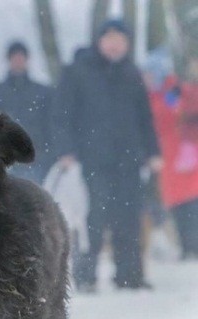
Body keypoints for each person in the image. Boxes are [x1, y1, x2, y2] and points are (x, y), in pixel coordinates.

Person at [52, 19, 161, 292]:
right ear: (99, 41)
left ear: (127, 44)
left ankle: (129, 275)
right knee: (92, 219)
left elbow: (144, 118)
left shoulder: (132, 73)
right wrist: (65, 150)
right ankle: (85, 276)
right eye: (109, 38)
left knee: (128, 217)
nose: (115, 44)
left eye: (120, 39)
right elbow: (61, 115)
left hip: (129, 159)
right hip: (91, 159)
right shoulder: (78, 71)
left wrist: (153, 152)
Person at [147, 56, 198, 260]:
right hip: (166, 156)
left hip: (187, 153)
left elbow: (183, 111)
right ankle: (186, 245)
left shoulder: (175, 90)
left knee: (191, 201)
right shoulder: (152, 95)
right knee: (176, 202)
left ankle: (192, 244)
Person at [0, 41, 54, 184]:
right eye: (15, 58)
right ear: (8, 60)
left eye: (21, 58)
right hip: (5, 157)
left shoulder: (43, 93)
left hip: (36, 155)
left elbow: (51, 123)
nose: (18, 61)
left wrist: (50, 151)